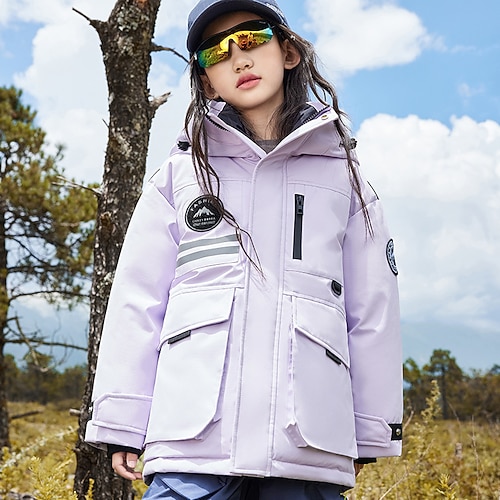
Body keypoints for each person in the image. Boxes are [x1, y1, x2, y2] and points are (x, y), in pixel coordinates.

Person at [85, 0, 403, 498]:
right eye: (216, 52)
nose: (239, 58)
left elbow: (372, 311)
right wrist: (123, 420)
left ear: (289, 52)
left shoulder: (346, 179)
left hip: (307, 443)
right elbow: (137, 300)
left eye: (252, 38)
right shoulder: (179, 176)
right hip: (192, 440)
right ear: (207, 80)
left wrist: (369, 427)